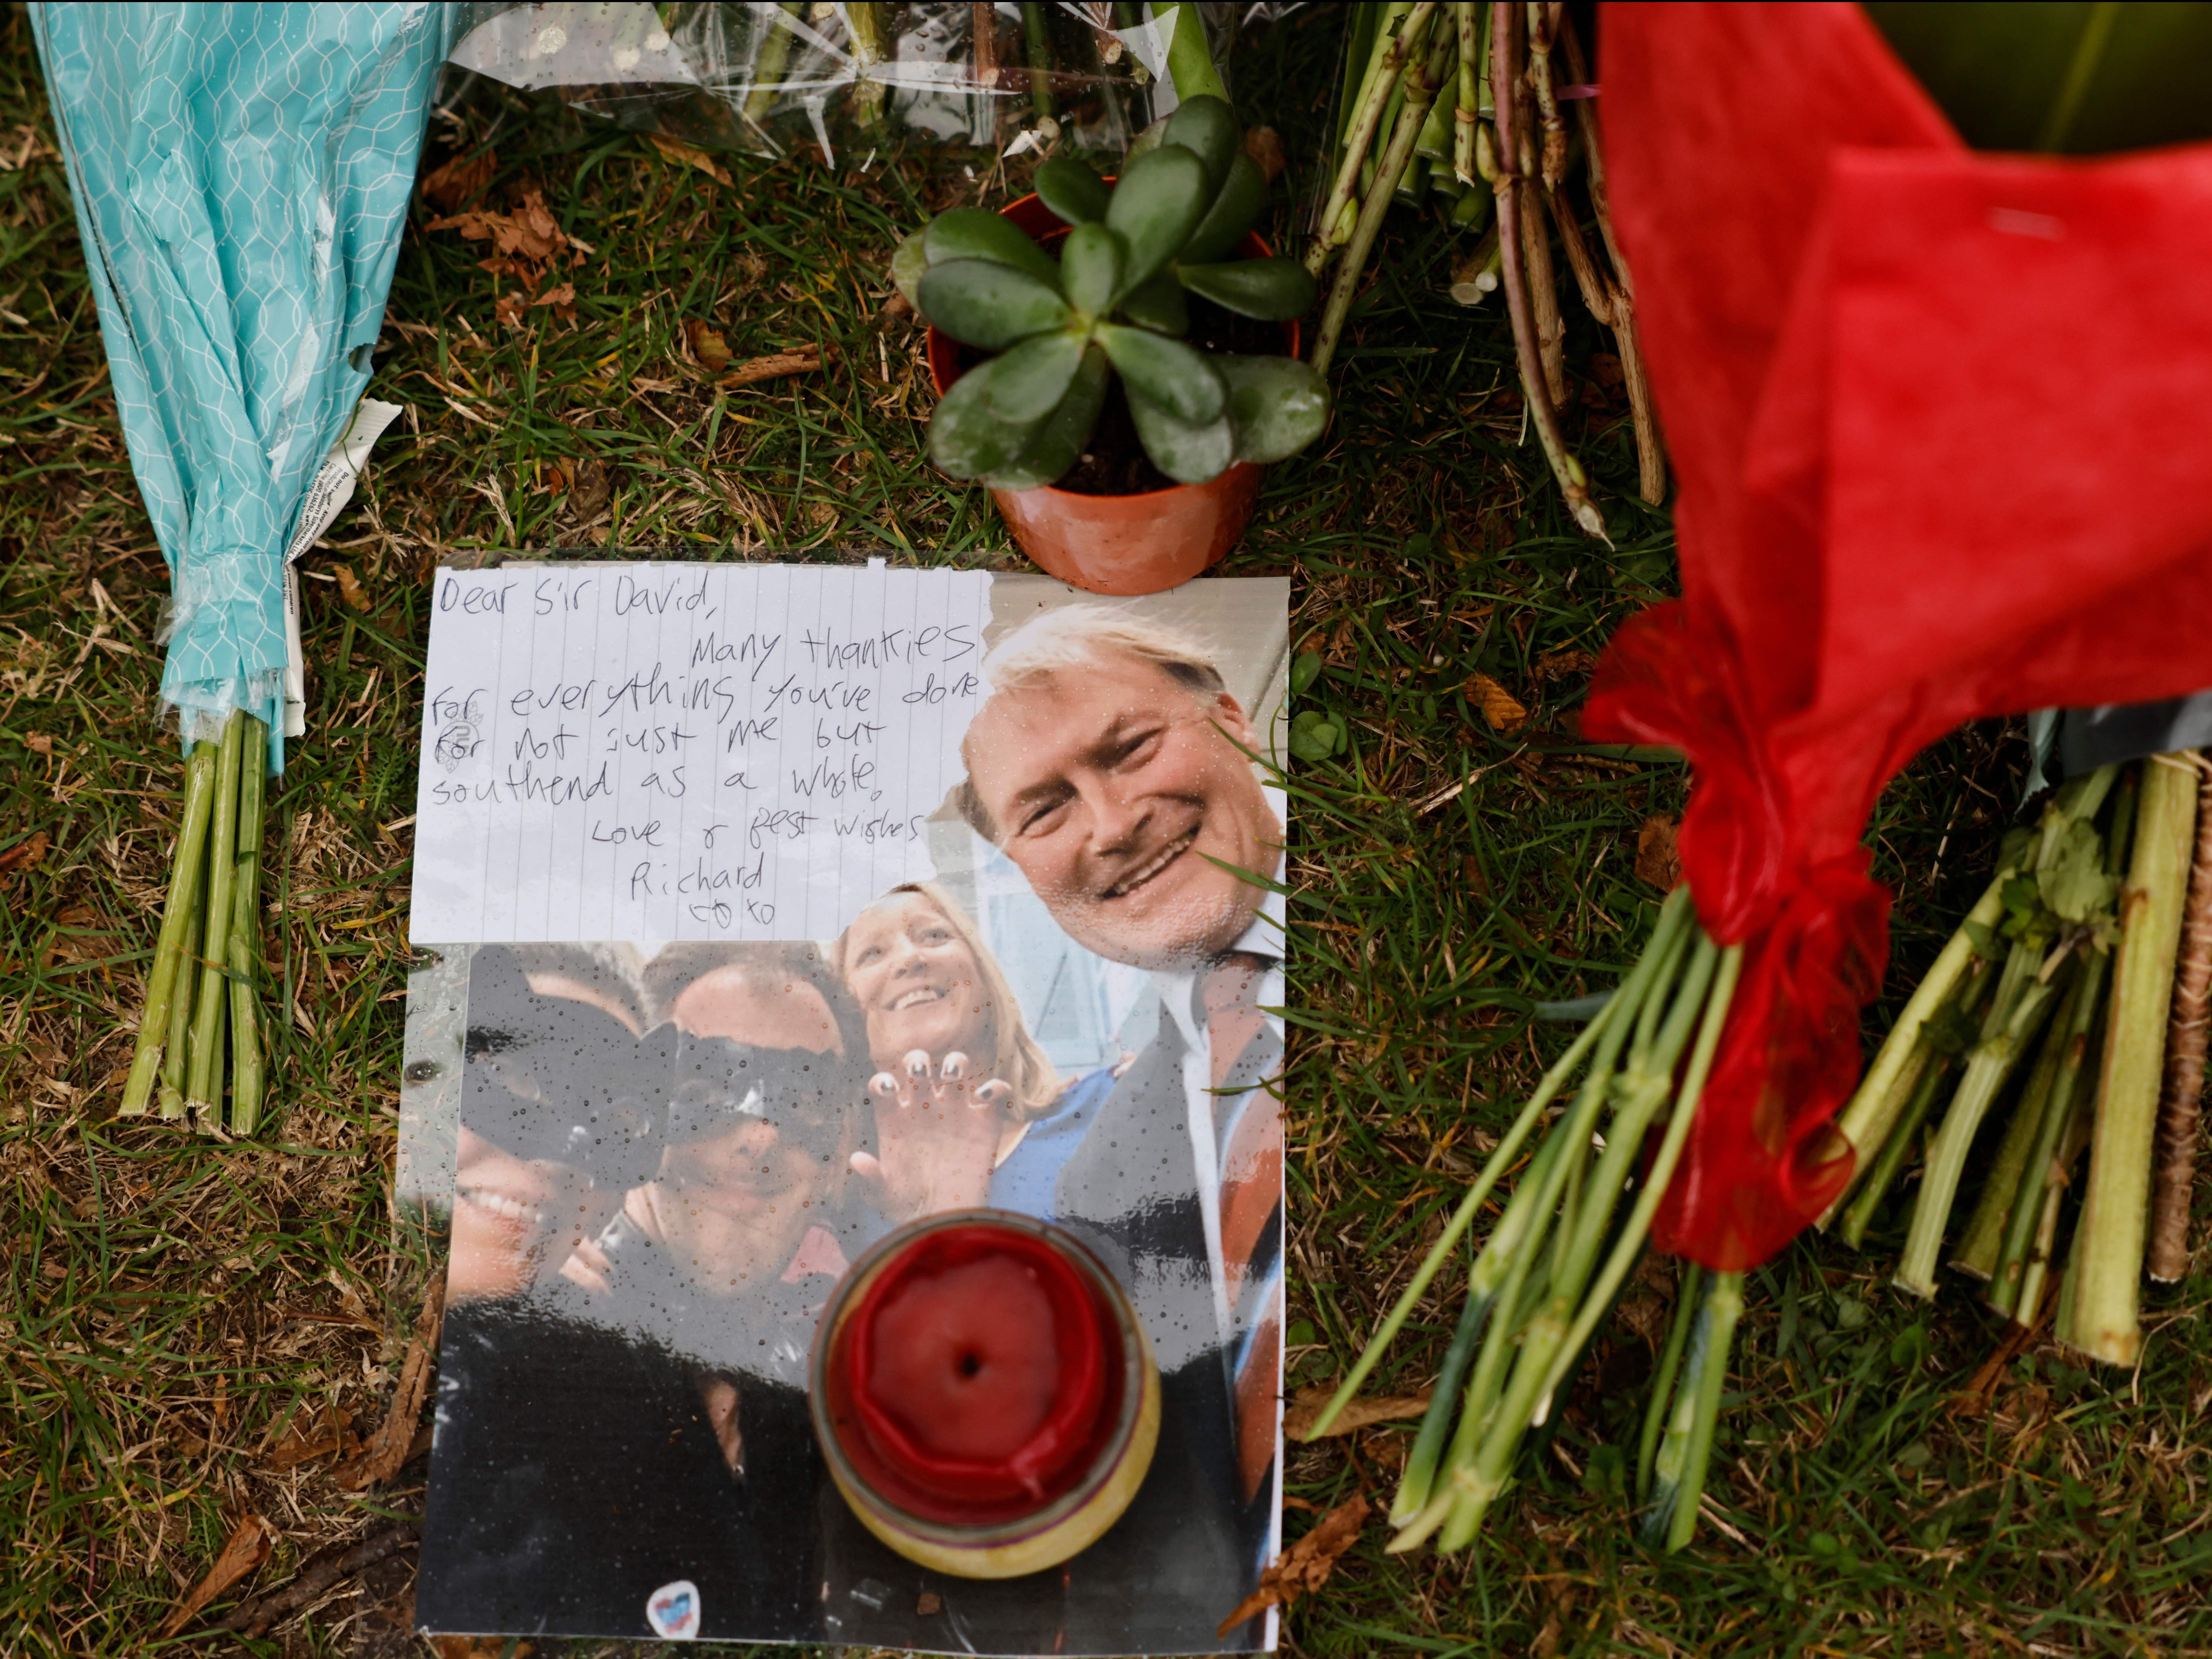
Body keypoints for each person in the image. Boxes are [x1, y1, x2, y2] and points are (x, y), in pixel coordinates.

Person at [951, 606, 1288, 1651]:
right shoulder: (1100, 1178)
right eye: (1043, 810)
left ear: (1231, 716)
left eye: (1130, 748)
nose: (1107, 822)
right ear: (1014, 862)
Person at [419, 941, 869, 1644]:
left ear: (838, 1152)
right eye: (699, 1092)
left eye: (804, 1097)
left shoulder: (821, 1400)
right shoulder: (500, 1377)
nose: (757, 1134)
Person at [831, 880, 1118, 1226]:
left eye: (934, 935)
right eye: (872, 953)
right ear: (844, 1013)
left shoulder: (1111, 1112)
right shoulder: (833, 1204)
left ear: (983, 976)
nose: (910, 958)